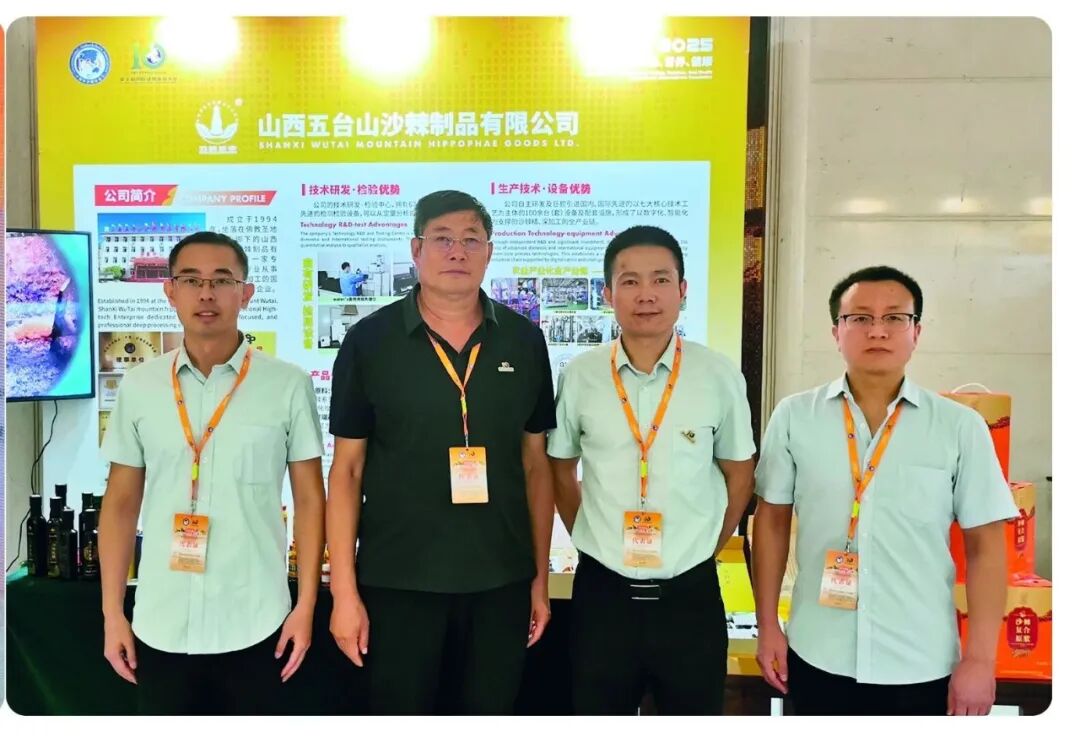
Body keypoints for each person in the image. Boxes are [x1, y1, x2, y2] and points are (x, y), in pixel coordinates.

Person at [326, 190, 557, 714]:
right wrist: (344, 592)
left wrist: (539, 581)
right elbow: (348, 471)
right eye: (443, 239)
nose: (457, 251)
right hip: (398, 580)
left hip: (501, 580)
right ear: (416, 249)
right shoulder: (369, 341)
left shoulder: (524, 341)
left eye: (471, 240)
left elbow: (535, 466)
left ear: (489, 252)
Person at [752, 265, 1018, 716]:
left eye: (895, 317)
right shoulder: (795, 416)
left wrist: (980, 659)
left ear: (917, 332)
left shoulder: (960, 427)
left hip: (921, 660)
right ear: (836, 332)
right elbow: (772, 523)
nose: (877, 330)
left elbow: (987, 547)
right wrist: (767, 626)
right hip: (818, 652)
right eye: (859, 318)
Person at [98, 231, 325, 715]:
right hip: (160, 623)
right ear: (170, 290)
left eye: (222, 281)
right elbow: (119, 505)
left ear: (246, 293)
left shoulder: (287, 385)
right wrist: (112, 614)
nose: (206, 293)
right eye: (191, 280)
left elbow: (310, 500)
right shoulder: (139, 387)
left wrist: (304, 606)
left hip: (257, 622)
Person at [547, 225, 756, 715]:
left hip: (689, 596)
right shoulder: (580, 375)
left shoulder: (718, 375)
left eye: (661, 280)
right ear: (607, 294)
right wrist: (591, 536)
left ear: (683, 290)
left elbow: (740, 474)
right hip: (603, 597)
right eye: (630, 281)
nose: (646, 295)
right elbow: (560, 469)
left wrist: (704, 544)